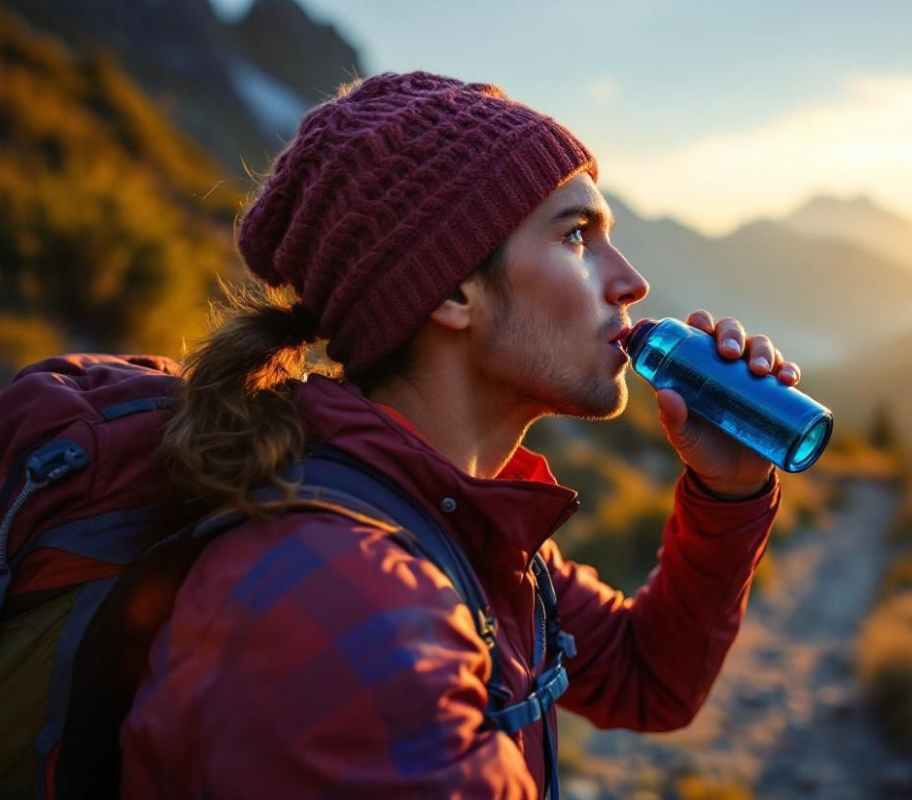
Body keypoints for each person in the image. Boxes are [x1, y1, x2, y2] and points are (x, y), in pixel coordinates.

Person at [120, 71, 802, 798]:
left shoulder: (457, 523)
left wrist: (728, 490)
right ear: (450, 291)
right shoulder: (353, 605)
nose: (631, 282)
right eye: (577, 236)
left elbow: (650, 680)